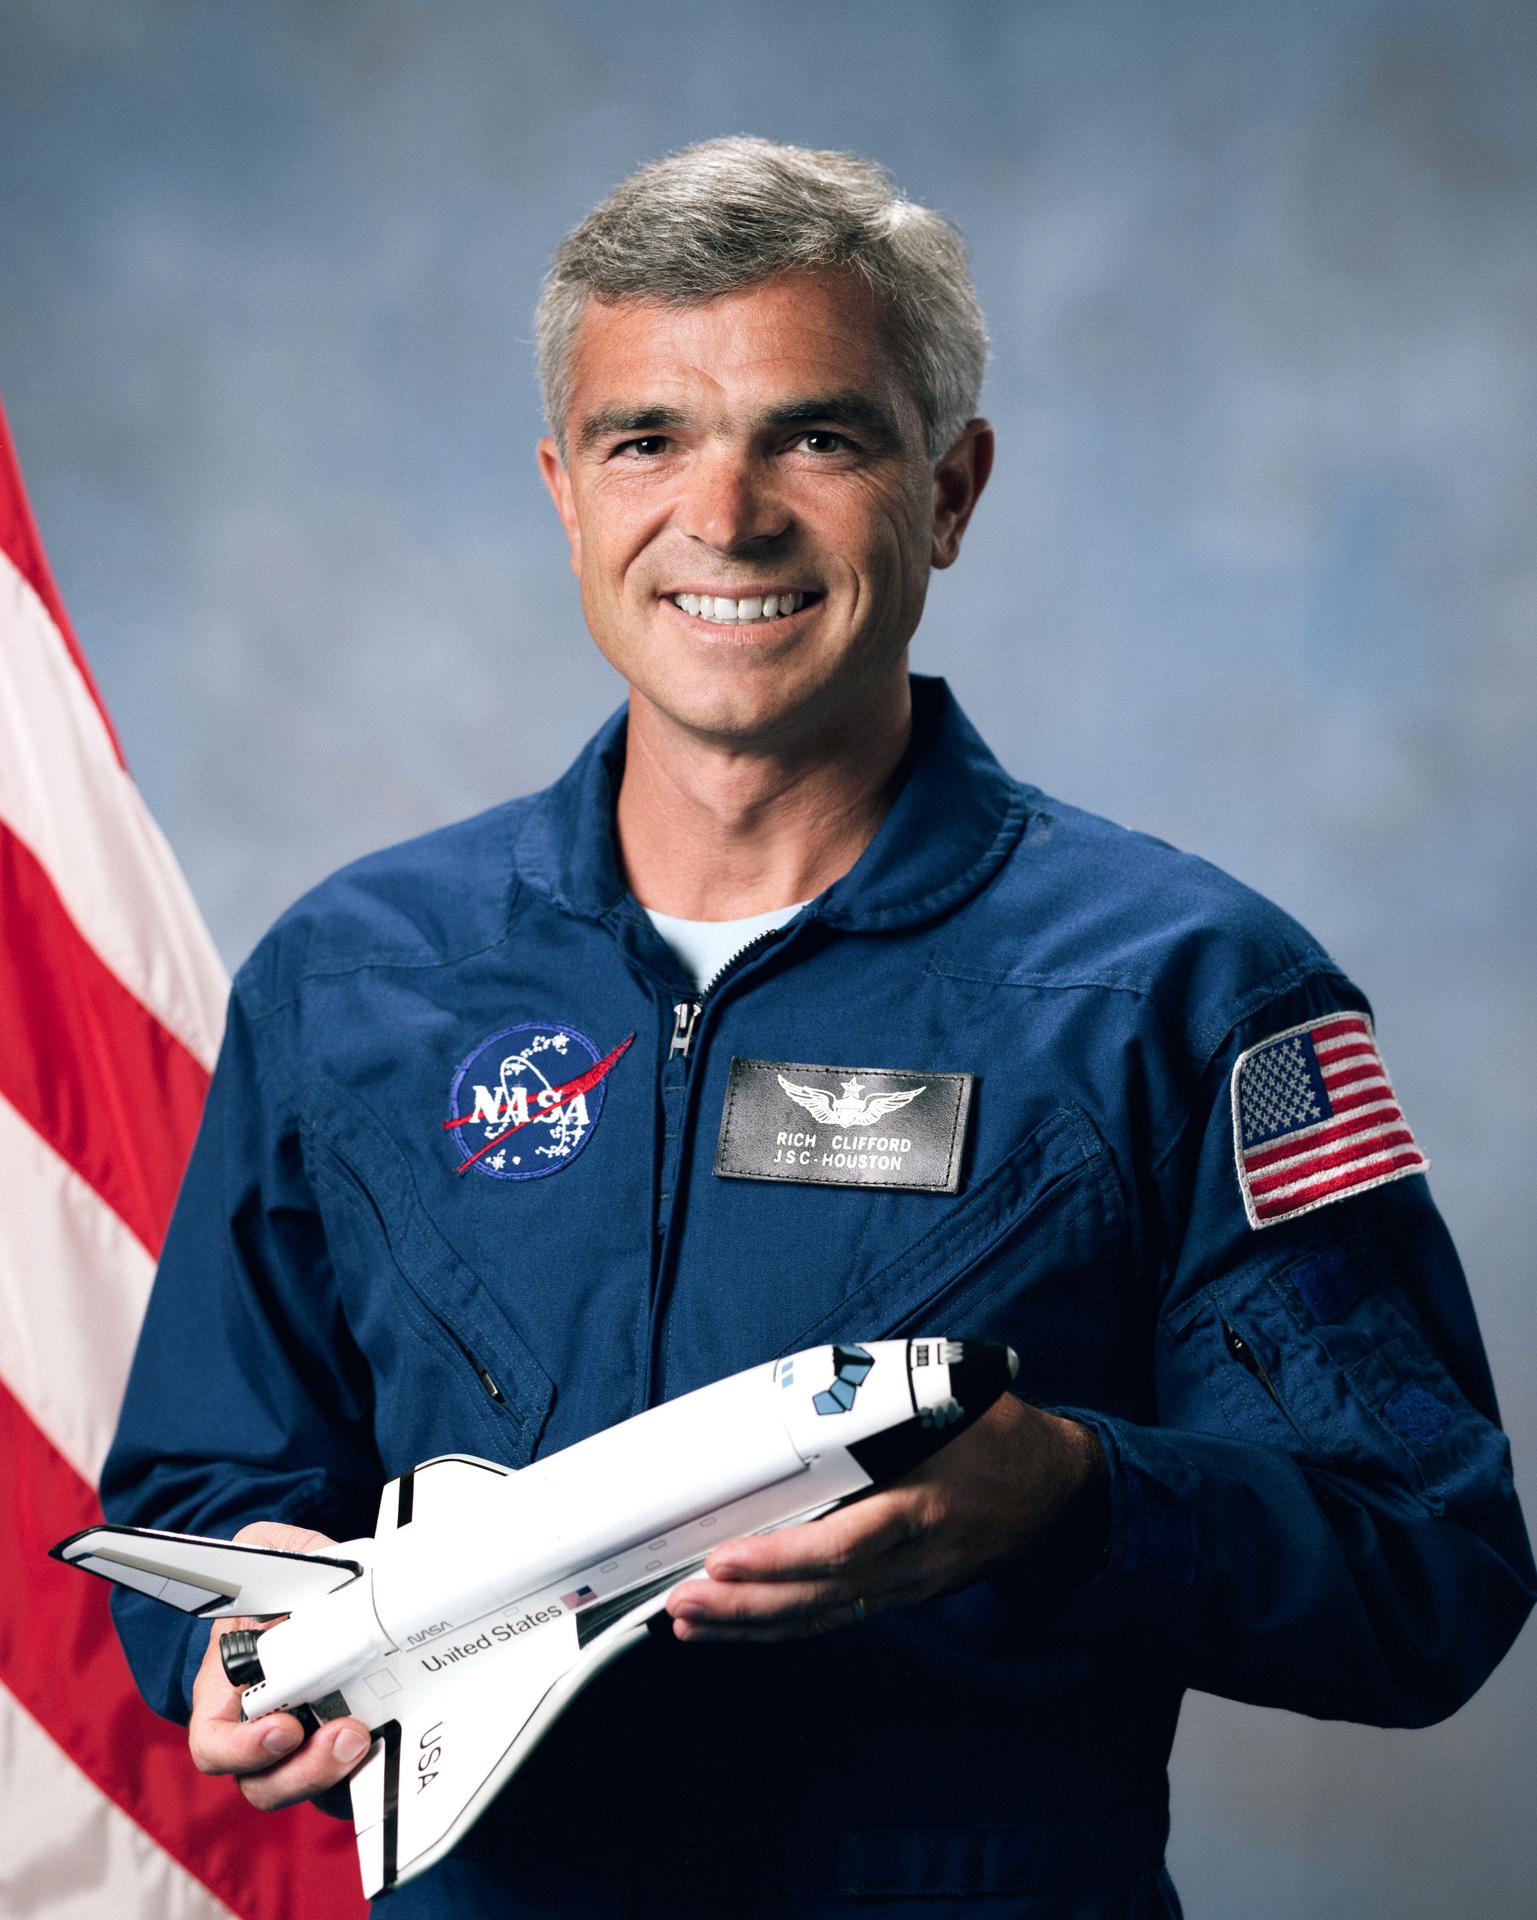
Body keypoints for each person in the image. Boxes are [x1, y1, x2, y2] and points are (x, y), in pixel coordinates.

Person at [102, 138, 1534, 1919]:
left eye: (817, 437)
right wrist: (243, 1636)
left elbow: (1427, 1573)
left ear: (949, 492)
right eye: (646, 440)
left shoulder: (1186, 993)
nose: (724, 516)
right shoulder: (352, 977)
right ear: (564, 494)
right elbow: (209, 1479)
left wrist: (1070, 1499)